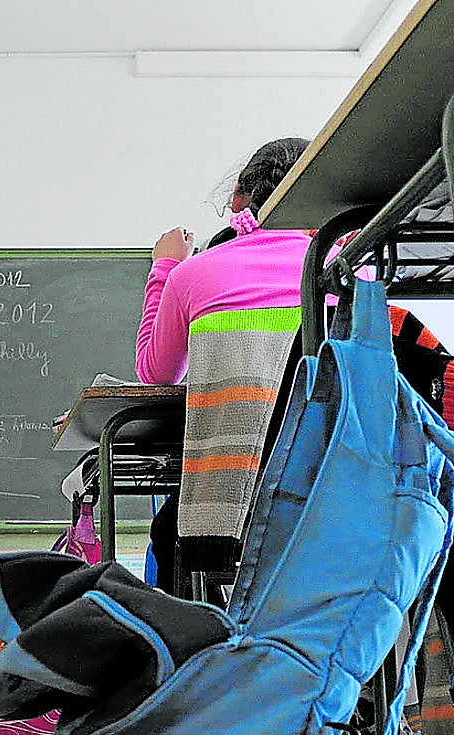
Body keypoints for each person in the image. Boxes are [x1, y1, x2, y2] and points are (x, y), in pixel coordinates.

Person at [134, 138, 314, 599]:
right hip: (329, 485)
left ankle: (202, 655)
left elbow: (156, 373)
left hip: (230, 497)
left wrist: (165, 268)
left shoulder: (195, 274)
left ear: (238, 199)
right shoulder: (346, 268)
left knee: (166, 532)